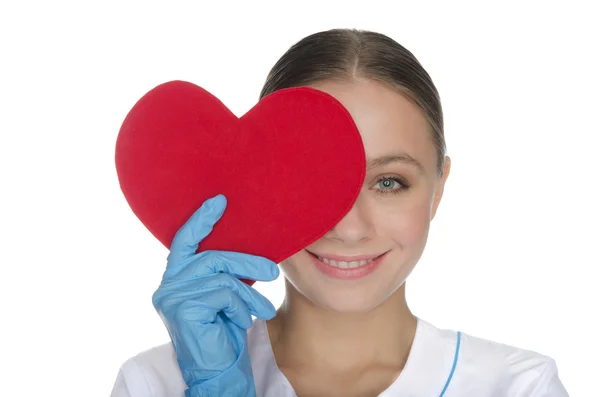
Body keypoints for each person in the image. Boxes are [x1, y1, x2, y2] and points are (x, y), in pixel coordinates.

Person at [110, 28, 569, 397]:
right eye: (312, 182)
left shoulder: (518, 386)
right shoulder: (154, 385)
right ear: (258, 184)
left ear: (439, 188)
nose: (349, 228)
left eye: (390, 183)